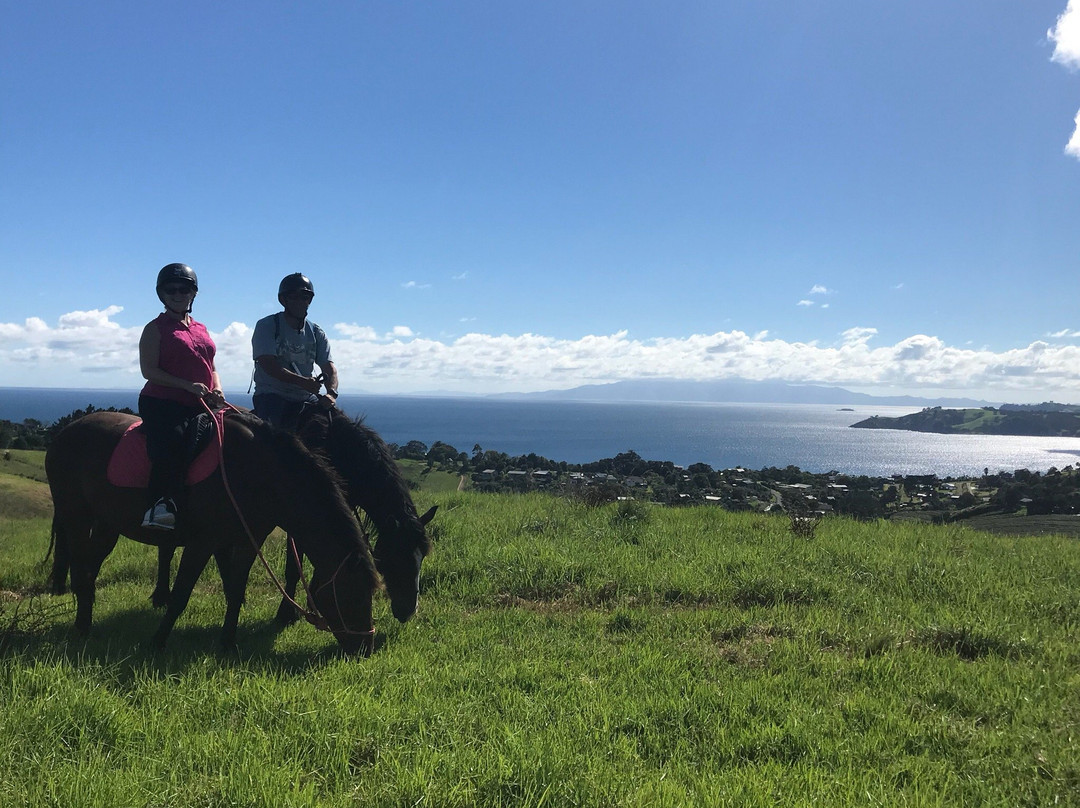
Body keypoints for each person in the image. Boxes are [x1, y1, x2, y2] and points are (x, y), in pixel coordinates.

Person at [138, 263, 225, 529]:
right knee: (174, 441)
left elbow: (211, 366)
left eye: (184, 289)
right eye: (171, 289)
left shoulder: (201, 328)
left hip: (199, 402)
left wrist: (218, 388)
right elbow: (148, 371)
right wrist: (186, 385)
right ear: (162, 294)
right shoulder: (155, 329)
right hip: (163, 403)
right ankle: (159, 505)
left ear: (193, 293)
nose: (177, 294)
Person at [250, 273, 338, 430]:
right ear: (284, 300)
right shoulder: (268, 325)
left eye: (305, 297)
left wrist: (331, 393)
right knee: (277, 442)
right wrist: (302, 382)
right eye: (294, 296)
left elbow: (329, 368)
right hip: (272, 396)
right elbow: (268, 364)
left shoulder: (317, 332)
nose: (300, 301)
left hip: (305, 397)